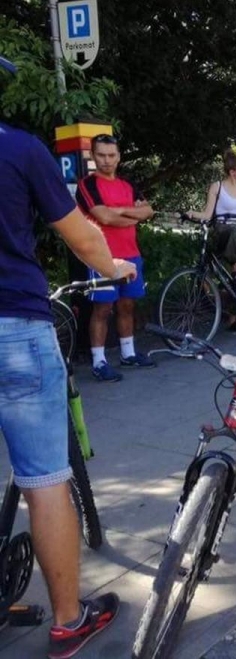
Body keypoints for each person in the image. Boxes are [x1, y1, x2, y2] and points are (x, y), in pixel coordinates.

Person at [1, 54, 126, 658]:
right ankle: (69, 620)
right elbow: (80, 233)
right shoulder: (20, 150)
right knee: (46, 479)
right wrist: (115, 267)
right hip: (15, 328)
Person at [76, 134, 156, 382]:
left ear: (119, 156)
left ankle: (128, 353)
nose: (107, 160)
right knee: (102, 308)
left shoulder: (128, 185)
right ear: (93, 155)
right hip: (102, 257)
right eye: (101, 155)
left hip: (131, 253)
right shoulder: (87, 185)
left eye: (111, 155)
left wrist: (119, 211)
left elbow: (148, 210)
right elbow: (104, 217)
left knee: (127, 305)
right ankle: (99, 362)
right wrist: (132, 216)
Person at [186, 150, 236, 331]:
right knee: (234, 231)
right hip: (223, 230)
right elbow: (208, 214)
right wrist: (192, 213)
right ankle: (235, 267)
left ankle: (233, 319)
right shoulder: (217, 187)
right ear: (232, 172)